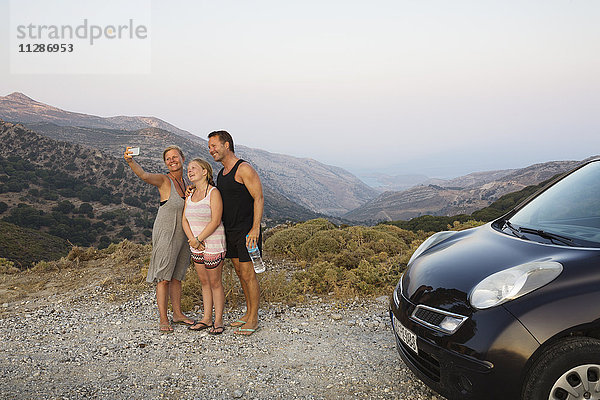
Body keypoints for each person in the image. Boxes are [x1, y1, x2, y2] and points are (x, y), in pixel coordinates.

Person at [124, 145, 194, 333]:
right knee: (163, 277)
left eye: (175, 157)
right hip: (166, 233)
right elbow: (144, 176)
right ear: (165, 163)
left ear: (182, 158)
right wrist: (131, 161)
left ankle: (178, 314)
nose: (172, 160)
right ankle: (164, 318)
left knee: (177, 276)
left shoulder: (187, 182)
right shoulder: (165, 180)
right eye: (168, 159)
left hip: (184, 235)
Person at [208, 130, 264, 336]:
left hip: (247, 232)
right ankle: (248, 313)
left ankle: (254, 319)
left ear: (227, 145)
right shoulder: (222, 174)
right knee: (240, 274)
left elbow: (258, 198)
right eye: (209, 147)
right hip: (229, 231)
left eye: (214, 146)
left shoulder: (244, 169)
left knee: (249, 275)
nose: (211, 150)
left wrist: (255, 229)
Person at [182, 158, 227, 335]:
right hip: (196, 245)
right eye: (188, 169)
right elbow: (184, 219)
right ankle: (206, 318)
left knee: (215, 282)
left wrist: (198, 238)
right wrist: (193, 240)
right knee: (204, 282)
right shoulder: (190, 195)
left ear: (205, 172)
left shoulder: (213, 193)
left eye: (194, 168)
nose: (190, 171)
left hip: (213, 243)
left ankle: (218, 321)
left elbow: (216, 220)